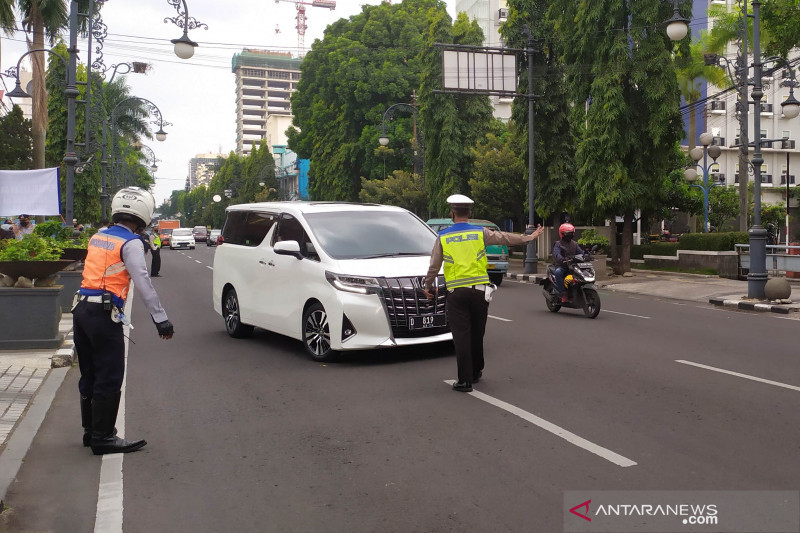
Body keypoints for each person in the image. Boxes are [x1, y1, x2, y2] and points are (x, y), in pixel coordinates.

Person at [73, 186, 174, 455]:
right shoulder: (130, 244)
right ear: (143, 216)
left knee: (90, 373)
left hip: (81, 310)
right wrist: (160, 319)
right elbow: (142, 282)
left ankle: (90, 431)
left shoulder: (97, 237)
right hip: (103, 316)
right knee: (110, 373)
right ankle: (104, 437)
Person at [424, 194, 545, 392]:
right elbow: (506, 237)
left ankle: (465, 381)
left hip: (456, 292)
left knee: (461, 335)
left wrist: (428, 285)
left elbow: (434, 265)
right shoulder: (480, 233)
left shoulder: (443, 236)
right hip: (480, 291)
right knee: (477, 333)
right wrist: (529, 237)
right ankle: (476, 371)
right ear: (469, 213)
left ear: (452, 213)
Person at [552, 223, 587, 304]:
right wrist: (561, 258)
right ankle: (563, 293)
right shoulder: (558, 244)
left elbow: (581, 253)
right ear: (562, 234)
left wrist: (587, 256)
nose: (570, 235)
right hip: (562, 265)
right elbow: (557, 254)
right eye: (568, 233)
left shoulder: (574, 244)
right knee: (558, 272)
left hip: (573, 265)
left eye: (571, 233)